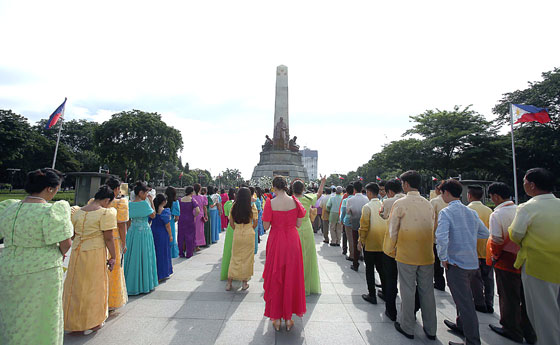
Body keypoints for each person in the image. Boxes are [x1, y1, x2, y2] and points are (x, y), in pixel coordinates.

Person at [0, 168, 73, 345]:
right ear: (49, 188)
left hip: (9, 267)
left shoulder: (9, 208)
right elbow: (66, 244)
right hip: (42, 271)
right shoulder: (51, 211)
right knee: (42, 316)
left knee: (12, 314)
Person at [509, 168, 560, 345]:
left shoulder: (528, 207)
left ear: (532, 185)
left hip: (538, 266)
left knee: (543, 315)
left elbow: (515, 234)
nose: (523, 184)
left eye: (524, 181)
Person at [436, 179, 489, 345]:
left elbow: (442, 238)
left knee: (465, 303)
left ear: (446, 193)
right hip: (472, 262)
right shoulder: (470, 212)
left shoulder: (446, 213)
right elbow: (485, 233)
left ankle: (473, 341)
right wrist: (468, 236)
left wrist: (443, 257)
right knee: (464, 299)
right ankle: (461, 325)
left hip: (456, 263)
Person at [388, 170, 437, 341]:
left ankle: (407, 327)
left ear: (406, 184)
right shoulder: (428, 203)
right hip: (426, 253)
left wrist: (390, 249)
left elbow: (393, 230)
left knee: (407, 290)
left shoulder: (400, 204)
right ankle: (431, 329)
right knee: (427, 291)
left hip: (407, 253)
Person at [63, 186, 117, 333]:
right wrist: (114, 256)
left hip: (77, 252)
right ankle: (94, 322)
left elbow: (72, 235)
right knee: (94, 287)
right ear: (107, 200)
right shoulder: (105, 213)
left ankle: (74, 322)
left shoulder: (78, 212)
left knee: (75, 287)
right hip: (95, 252)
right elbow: (108, 237)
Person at [486, 182, 536, 344]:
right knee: (525, 296)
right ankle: (528, 330)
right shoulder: (521, 210)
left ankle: (511, 328)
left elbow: (497, 239)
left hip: (505, 261)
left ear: (496, 196)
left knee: (508, 296)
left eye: (492, 197)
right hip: (525, 259)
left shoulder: (497, 214)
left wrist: (495, 256)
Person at [262, 176, 307, 332]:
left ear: (274, 187)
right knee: (291, 277)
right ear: (286, 186)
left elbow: (266, 227)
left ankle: (276, 318)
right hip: (292, 241)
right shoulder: (295, 201)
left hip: (276, 241)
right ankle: (289, 318)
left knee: (276, 278)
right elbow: (299, 223)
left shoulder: (270, 203)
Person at [124, 181, 159, 295]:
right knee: (145, 257)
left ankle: (130, 284)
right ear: (140, 193)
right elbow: (153, 215)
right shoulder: (144, 204)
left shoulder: (129, 204)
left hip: (133, 231)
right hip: (144, 231)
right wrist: (152, 202)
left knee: (132, 257)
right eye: (145, 193)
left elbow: (128, 221)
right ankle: (144, 284)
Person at [293, 176, 326, 295]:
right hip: (306, 228)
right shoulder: (308, 198)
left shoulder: (290, 200)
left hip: (293, 229)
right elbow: (319, 193)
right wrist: (322, 182)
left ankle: (294, 285)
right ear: (303, 189)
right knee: (307, 257)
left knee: (294, 258)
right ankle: (306, 285)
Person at [379, 178, 405, 321]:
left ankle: (391, 310)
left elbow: (382, 215)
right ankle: (409, 312)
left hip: (391, 247)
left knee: (390, 279)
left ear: (389, 191)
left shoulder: (388, 202)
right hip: (407, 247)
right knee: (407, 282)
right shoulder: (409, 200)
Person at [466, 185, 494, 313]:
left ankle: (479, 302)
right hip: (487, 250)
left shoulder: (467, 210)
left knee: (475, 279)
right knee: (488, 278)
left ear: (469, 195)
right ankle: (489, 302)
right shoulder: (489, 210)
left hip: (473, 250)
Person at [357, 182, 386, 305]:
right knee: (382, 269)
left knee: (369, 270)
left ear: (369, 192)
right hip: (383, 243)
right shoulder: (383, 205)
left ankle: (372, 294)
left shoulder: (367, 207)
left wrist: (360, 241)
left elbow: (364, 227)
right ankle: (385, 291)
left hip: (370, 243)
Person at [226, 187, 258, 291]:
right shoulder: (252, 207)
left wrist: (238, 229)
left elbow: (231, 223)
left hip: (238, 233)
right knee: (247, 259)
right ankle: (244, 283)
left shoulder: (234, 207)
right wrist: (249, 228)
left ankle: (229, 282)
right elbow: (256, 222)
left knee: (234, 257)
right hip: (249, 233)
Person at [105, 177, 129, 310]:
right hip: (114, 239)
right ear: (116, 189)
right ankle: (112, 300)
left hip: (100, 239)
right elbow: (122, 225)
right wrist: (123, 243)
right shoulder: (120, 203)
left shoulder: (96, 202)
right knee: (114, 269)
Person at [347, 180, 369, 271]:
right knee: (365, 243)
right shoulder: (367, 199)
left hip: (355, 223)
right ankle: (365, 260)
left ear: (354, 189)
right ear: (362, 188)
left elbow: (348, 212)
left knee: (356, 242)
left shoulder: (350, 200)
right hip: (366, 223)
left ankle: (355, 264)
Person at [151, 193, 173, 281]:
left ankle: (155, 273)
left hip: (153, 231)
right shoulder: (165, 211)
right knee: (163, 253)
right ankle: (163, 273)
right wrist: (171, 235)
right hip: (162, 233)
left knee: (155, 252)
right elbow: (168, 225)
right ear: (164, 201)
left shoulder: (153, 211)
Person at [430, 181, 448, 291]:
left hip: (436, 236)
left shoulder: (434, 202)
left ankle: (439, 282)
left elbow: (431, 219)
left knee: (437, 262)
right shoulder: (455, 201)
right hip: (450, 236)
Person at [177, 186, 200, 258]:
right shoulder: (192, 200)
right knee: (190, 236)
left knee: (181, 236)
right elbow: (198, 211)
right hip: (190, 219)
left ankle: (181, 252)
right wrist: (194, 216)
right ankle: (189, 253)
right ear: (191, 192)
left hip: (181, 219)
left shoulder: (180, 200)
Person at [220, 188, 236, 280]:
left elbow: (227, 215)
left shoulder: (228, 204)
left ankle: (227, 273)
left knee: (228, 251)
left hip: (231, 228)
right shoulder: (247, 206)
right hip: (242, 230)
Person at [165, 186, 180, 258]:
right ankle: (172, 253)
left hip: (164, 221)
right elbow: (177, 217)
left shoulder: (164, 201)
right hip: (171, 221)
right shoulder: (175, 202)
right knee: (172, 237)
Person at [193, 184, 208, 249]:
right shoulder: (203, 197)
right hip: (200, 215)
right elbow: (204, 207)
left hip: (192, 214)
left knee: (192, 230)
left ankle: (192, 244)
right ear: (200, 189)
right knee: (199, 231)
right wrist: (206, 215)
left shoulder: (192, 197)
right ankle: (197, 245)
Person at [340, 184, 354, 255]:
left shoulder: (346, 200)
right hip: (357, 221)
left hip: (347, 221)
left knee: (346, 236)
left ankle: (345, 250)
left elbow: (343, 211)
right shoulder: (357, 198)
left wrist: (341, 220)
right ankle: (359, 254)